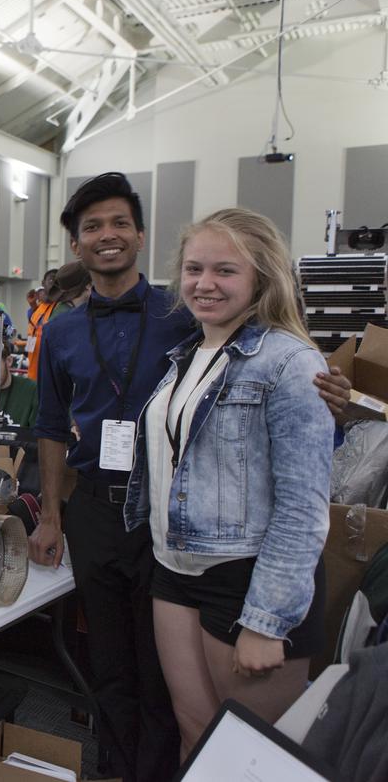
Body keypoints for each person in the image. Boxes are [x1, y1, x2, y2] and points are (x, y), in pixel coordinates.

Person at [30, 173, 350, 782]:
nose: (206, 283)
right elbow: (50, 423)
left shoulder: (197, 325)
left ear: (141, 236)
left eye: (120, 222)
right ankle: (120, 769)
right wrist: (50, 514)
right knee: (131, 676)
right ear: (75, 244)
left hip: (213, 550)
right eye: (196, 269)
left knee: (223, 730)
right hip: (125, 522)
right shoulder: (149, 344)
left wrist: (329, 406)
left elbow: (300, 489)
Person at [124, 209, 332, 758]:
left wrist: (266, 621)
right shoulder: (190, 355)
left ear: (261, 278)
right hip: (175, 568)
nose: (204, 283)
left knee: (251, 756)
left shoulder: (290, 361)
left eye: (225, 270)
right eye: (194, 269)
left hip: (248, 579)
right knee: (195, 734)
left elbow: (303, 507)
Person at [25, 263, 87, 382]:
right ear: (43, 283)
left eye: (57, 281)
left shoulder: (61, 307)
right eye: (51, 280)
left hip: (50, 370)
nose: (54, 283)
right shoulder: (41, 306)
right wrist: (33, 306)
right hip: (33, 368)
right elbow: (34, 325)